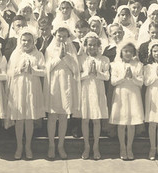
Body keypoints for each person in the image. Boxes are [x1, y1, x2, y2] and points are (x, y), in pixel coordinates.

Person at [6, 27, 46, 160]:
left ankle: (28, 146)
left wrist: (33, 71)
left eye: (29, 40)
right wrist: (19, 70)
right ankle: (19, 146)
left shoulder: (38, 55)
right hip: (18, 88)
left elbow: (44, 72)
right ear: (20, 41)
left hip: (32, 88)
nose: (26, 43)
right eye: (23, 40)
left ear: (33, 41)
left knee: (29, 119)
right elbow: (9, 73)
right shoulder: (15, 54)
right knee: (19, 119)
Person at [44, 26, 81, 159]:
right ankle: (51, 145)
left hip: (66, 83)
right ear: (55, 36)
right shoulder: (50, 49)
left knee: (64, 116)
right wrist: (59, 57)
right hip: (54, 84)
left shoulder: (71, 50)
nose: (61, 39)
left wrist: (66, 57)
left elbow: (75, 69)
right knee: (53, 116)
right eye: (59, 36)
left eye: (64, 36)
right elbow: (47, 67)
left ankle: (61, 144)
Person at [78, 32, 110, 160]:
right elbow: (77, 77)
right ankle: (86, 146)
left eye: (94, 45)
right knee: (85, 119)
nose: (92, 47)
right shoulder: (81, 59)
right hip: (85, 90)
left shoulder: (104, 59)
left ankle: (96, 146)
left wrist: (96, 73)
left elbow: (107, 77)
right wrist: (87, 73)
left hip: (97, 90)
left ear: (98, 46)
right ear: (85, 45)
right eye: (89, 45)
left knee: (97, 120)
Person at [109, 40, 144, 160]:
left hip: (133, 94)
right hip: (121, 93)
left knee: (131, 123)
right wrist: (123, 77)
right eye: (126, 51)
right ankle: (122, 147)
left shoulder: (138, 65)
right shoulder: (115, 65)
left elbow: (140, 83)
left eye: (130, 51)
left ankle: (129, 147)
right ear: (121, 52)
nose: (128, 53)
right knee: (122, 122)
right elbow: (113, 82)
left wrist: (132, 77)